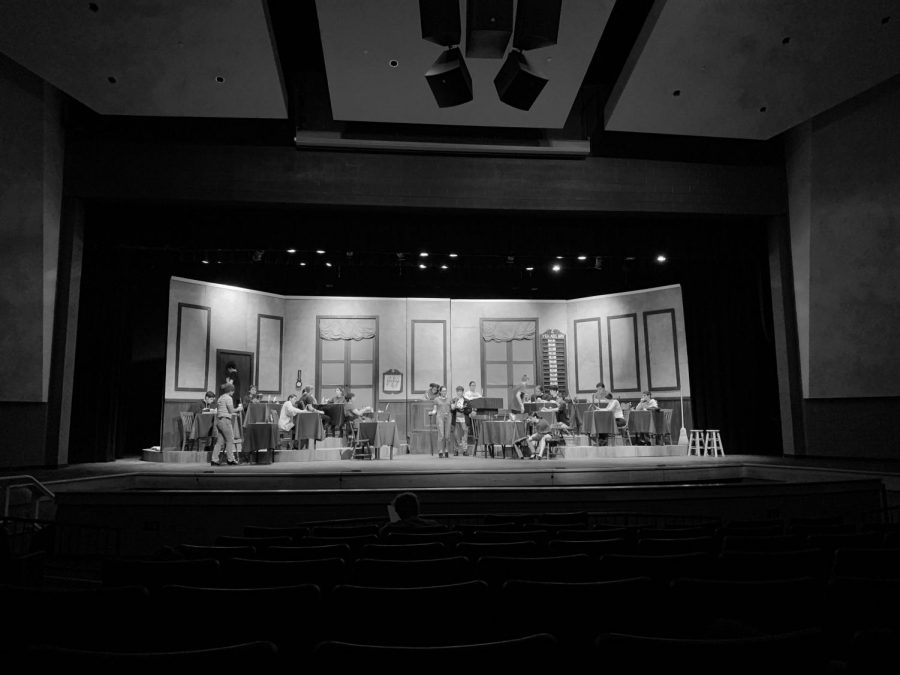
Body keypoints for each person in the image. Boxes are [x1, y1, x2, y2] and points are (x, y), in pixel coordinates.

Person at [211, 383, 240, 466]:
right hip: (225, 421)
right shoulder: (228, 398)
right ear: (230, 391)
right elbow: (231, 410)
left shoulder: (221, 397)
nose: (233, 393)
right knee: (230, 440)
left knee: (219, 441)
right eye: (233, 391)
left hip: (219, 421)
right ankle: (230, 459)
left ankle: (214, 459)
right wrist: (238, 408)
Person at [428, 385, 452, 458]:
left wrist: (455, 404)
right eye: (443, 391)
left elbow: (452, 408)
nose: (444, 392)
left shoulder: (449, 399)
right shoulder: (436, 399)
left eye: (445, 390)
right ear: (440, 391)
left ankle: (446, 450)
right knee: (441, 434)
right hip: (440, 417)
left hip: (448, 417)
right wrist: (432, 412)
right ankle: (440, 450)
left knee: (447, 435)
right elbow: (435, 409)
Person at [450, 385, 472, 456]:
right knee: (456, 435)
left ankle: (465, 451)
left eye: (461, 391)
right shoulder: (453, 400)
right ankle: (456, 450)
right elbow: (451, 410)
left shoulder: (467, 401)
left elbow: (469, 410)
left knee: (465, 436)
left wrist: (463, 410)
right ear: (456, 392)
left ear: (463, 392)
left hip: (464, 420)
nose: (459, 393)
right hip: (455, 420)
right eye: (458, 391)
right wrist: (456, 407)